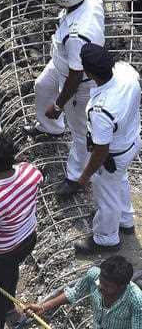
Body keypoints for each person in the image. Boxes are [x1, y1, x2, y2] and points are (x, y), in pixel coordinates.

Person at [23, 0, 105, 198]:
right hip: (62, 63)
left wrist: (59, 105)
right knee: (41, 86)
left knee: (80, 132)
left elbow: (75, 76)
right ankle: (50, 128)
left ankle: (76, 177)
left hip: (77, 82)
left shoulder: (78, 35)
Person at [72, 43, 140, 254]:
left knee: (106, 195)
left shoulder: (101, 109)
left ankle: (106, 238)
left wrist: (85, 175)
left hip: (113, 155)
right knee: (119, 180)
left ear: (88, 72)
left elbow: (101, 150)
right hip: (132, 140)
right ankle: (126, 220)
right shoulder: (127, 72)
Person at [0, 134, 43, 329]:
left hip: (2, 252)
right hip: (29, 237)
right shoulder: (31, 171)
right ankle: (9, 305)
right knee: (11, 273)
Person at [26, 255, 142, 328]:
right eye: (101, 281)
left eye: (107, 286)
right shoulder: (93, 275)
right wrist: (43, 307)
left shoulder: (136, 301)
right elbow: (75, 293)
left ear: (122, 286)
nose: (100, 286)